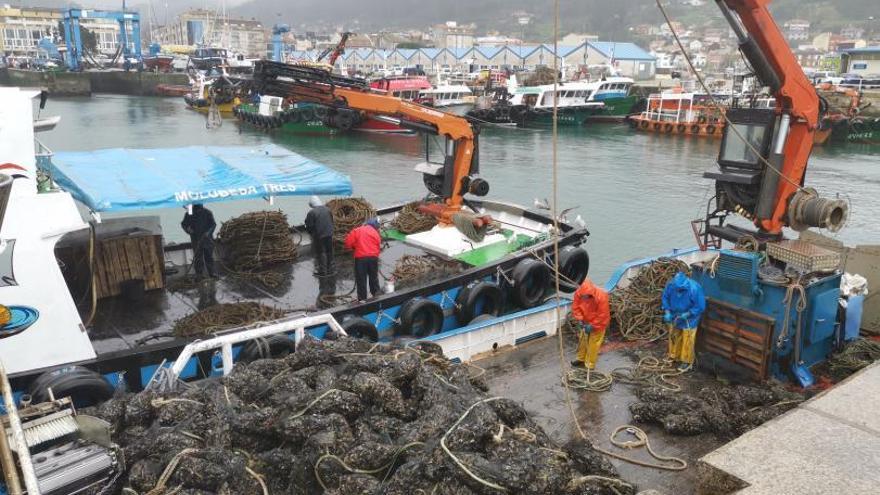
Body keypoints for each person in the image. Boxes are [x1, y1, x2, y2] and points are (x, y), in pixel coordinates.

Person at [662, 271, 706, 371]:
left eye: (680, 289)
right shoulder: (671, 285)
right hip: (674, 315)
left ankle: (686, 361)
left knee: (687, 339)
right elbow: (665, 298)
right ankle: (674, 356)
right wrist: (667, 311)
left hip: (689, 318)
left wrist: (688, 314)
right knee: (674, 336)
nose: (678, 290)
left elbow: (700, 306)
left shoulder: (694, 288)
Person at [570, 278, 611, 370]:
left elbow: (603, 315)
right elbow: (576, 307)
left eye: (587, 296)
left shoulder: (601, 296)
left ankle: (589, 364)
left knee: (593, 344)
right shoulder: (578, 293)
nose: (585, 298)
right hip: (585, 322)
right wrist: (580, 319)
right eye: (583, 296)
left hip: (599, 324)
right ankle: (581, 359)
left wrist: (593, 326)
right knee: (583, 340)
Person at [344, 218, 381, 302]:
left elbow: (348, 242)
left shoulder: (357, 230)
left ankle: (362, 299)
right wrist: (375, 256)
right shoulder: (375, 233)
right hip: (373, 258)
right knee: (373, 277)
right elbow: (378, 245)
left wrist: (353, 247)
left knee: (361, 279)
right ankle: (376, 295)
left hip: (360, 259)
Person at [181, 203, 217, 279]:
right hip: (195, 239)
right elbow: (184, 224)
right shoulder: (189, 213)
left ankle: (212, 273)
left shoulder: (208, 212)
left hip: (207, 239)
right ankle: (199, 274)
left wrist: (208, 232)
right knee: (198, 257)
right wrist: (188, 230)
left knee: (209, 256)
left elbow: (213, 224)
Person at [304, 196, 335, 275]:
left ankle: (323, 271)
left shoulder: (312, 212)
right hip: (329, 233)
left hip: (319, 235)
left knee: (321, 252)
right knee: (329, 251)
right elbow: (332, 220)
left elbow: (309, 226)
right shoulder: (328, 209)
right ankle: (331, 270)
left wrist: (311, 234)